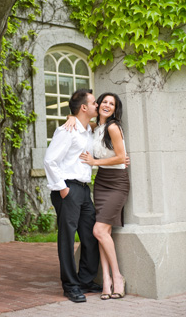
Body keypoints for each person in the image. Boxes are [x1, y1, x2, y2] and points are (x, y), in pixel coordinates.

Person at [65, 92, 129, 300]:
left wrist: (95, 162)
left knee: (98, 231)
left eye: (112, 103)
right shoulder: (95, 128)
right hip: (101, 183)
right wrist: (71, 117)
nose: (108, 105)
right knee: (104, 233)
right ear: (98, 104)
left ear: (115, 109)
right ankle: (107, 281)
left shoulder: (112, 127)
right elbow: (80, 121)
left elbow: (121, 157)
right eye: (105, 102)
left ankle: (118, 277)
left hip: (117, 182)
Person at [43, 89, 103, 303]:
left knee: (91, 235)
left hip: (84, 189)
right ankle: (70, 286)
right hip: (68, 189)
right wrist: (63, 188)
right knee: (67, 239)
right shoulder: (66, 131)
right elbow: (50, 160)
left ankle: (86, 280)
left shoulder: (87, 130)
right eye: (94, 102)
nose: (97, 105)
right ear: (84, 107)